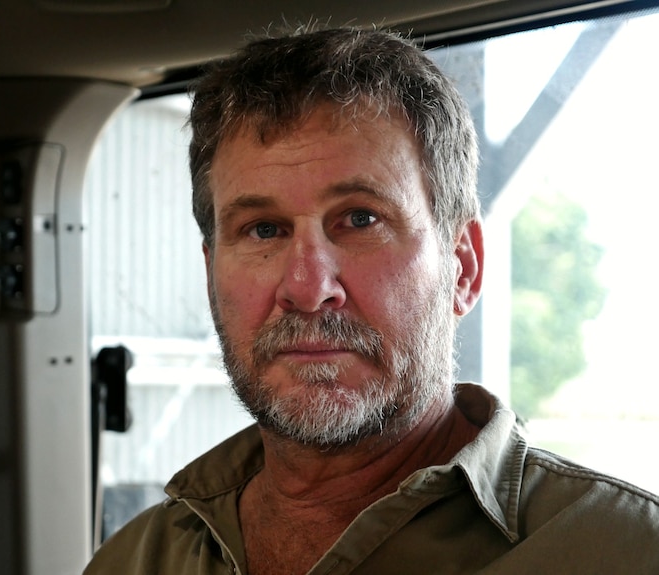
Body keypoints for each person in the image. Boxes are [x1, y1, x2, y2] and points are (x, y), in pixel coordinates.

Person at [84, 26, 659, 574]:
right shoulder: (133, 561)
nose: (308, 289)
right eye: (263, 230)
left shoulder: (626, 553)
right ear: (211, 272)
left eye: (361, 220)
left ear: (463, 266)